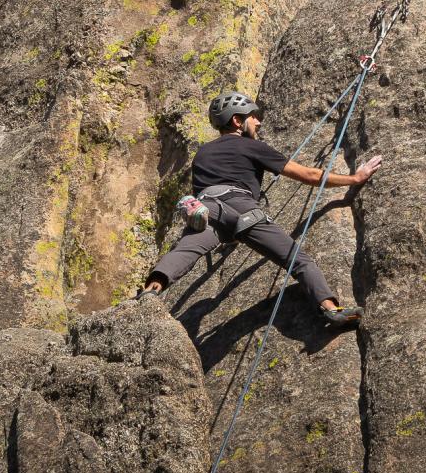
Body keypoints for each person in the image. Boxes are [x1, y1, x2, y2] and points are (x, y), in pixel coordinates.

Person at [141, 91, 382, 325]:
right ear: (237, 120)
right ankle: (331, 309)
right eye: (252, 116)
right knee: (299, 261)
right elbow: (309, 175)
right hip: (242, 209)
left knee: (183, 252)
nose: (258, 121)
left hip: (208, 208)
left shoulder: (202, 154)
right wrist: (355, 178)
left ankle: (151, 290)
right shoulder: (252, 146)